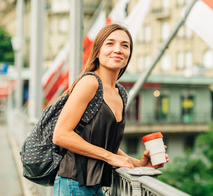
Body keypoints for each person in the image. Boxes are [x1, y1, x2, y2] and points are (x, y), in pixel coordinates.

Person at [53, 23, 169, 195]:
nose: (118, 49)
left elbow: (105, 145)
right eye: (110, 43)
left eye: (125, 45)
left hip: (96, 186)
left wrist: (139, 164)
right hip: (73, 184)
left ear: (129, 54)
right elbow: (61, 135)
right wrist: (111, 157)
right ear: (98, 51)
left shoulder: (121, 93)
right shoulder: (89, 83)